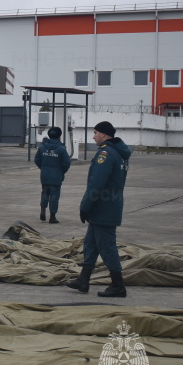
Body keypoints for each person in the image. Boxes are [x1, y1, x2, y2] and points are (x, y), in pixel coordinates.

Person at [67, 121, 131, 297]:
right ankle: (83, 280)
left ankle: (118, 286)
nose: (93, 136)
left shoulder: (106, 154)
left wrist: (85, 206)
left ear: (103, 134)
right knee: (91, 245)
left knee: (107, 247)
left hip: (103, 207)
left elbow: (97, 184)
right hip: (108, 205)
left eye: (95, 133)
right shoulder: (120, 153)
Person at [34, 126, 71, 224]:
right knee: (54, 196)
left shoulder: (42, 147)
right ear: (60, 136)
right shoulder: (61, 149)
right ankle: (52, 217)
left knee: (45, 193)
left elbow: (37, 160)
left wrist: (44, 168)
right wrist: (61, 171)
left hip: (45, 175)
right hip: (56, 177)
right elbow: (67, 163)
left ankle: (43, 211)